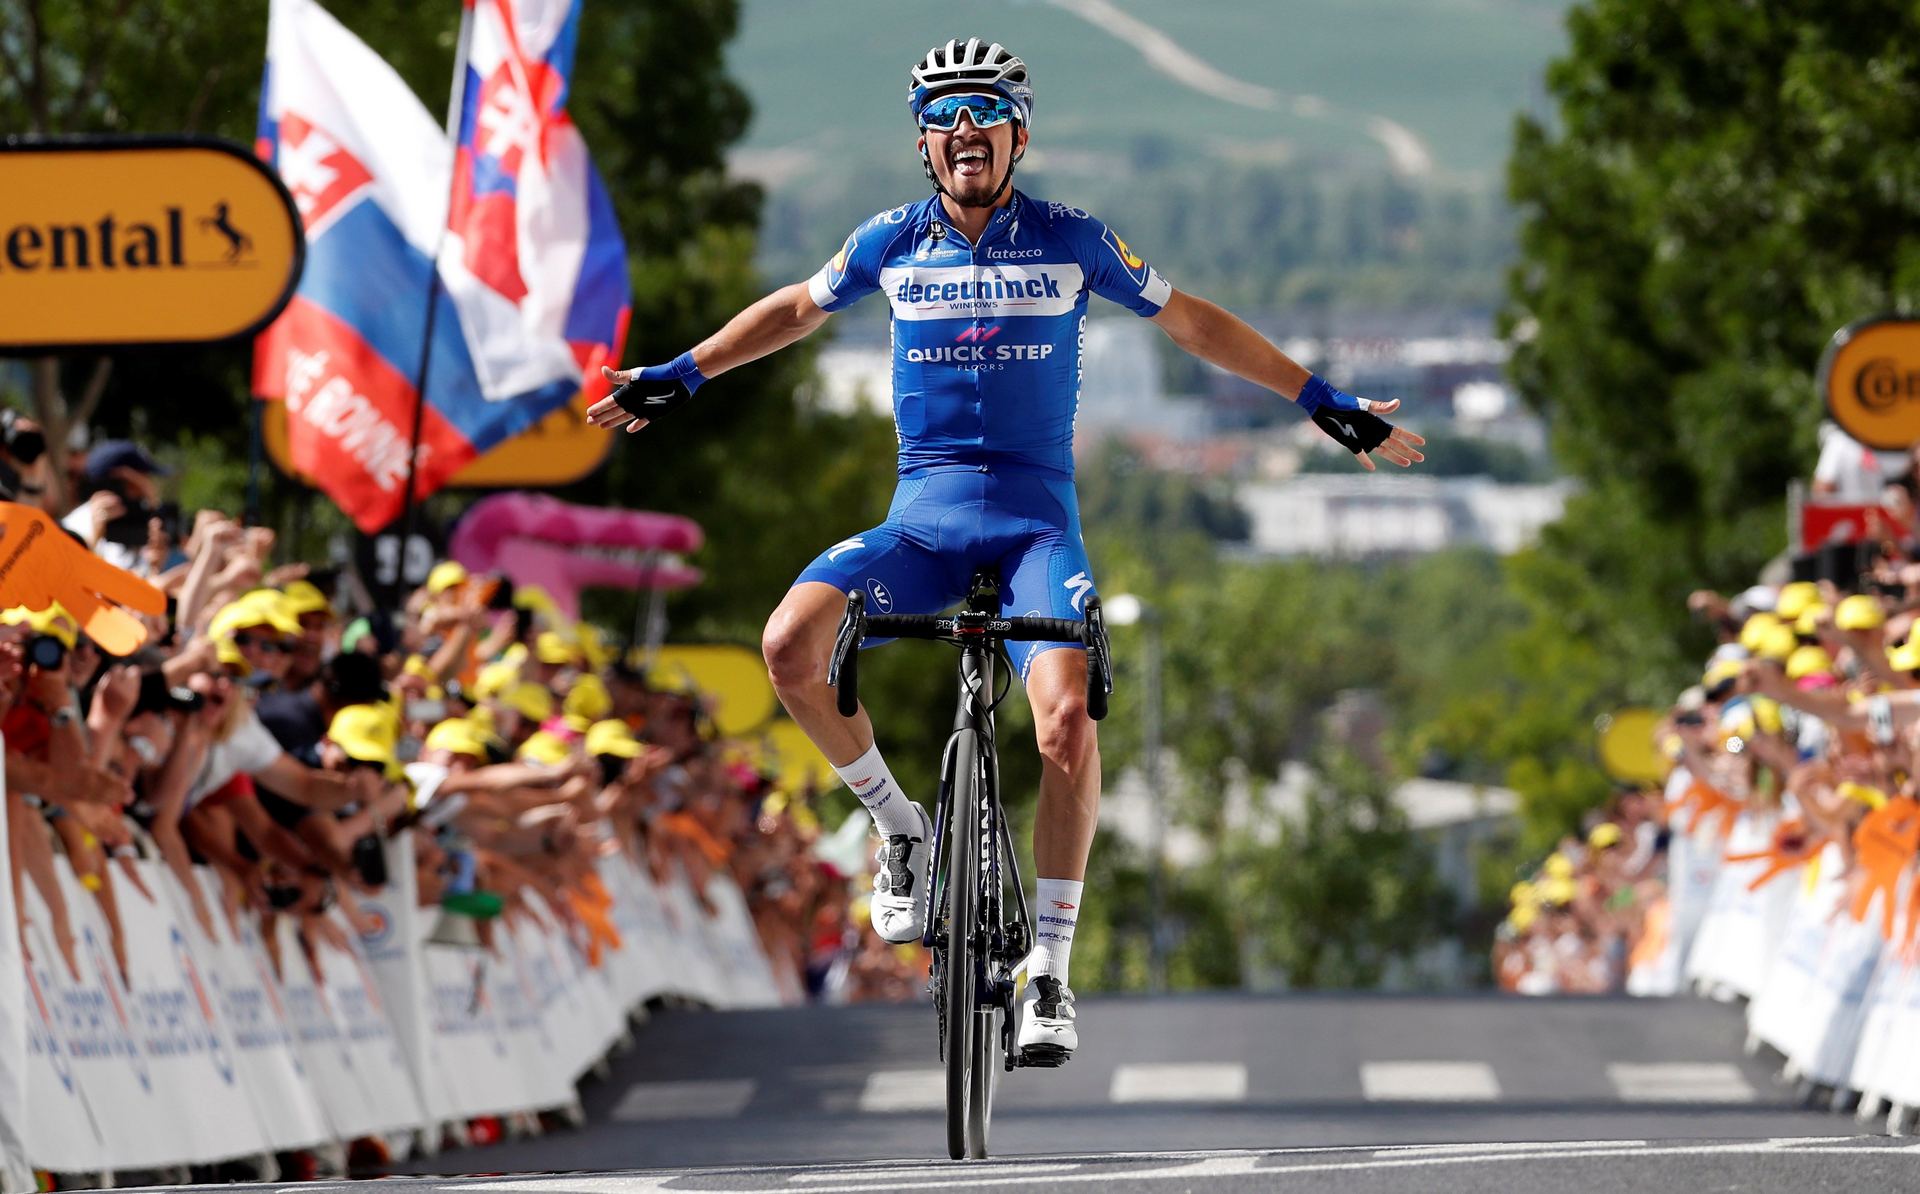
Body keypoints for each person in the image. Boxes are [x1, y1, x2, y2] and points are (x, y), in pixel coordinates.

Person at [590, 36, 1427, 1065]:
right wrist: (684, 372)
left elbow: (1195, 324)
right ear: (922, 144)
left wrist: (1320, 400)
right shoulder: (891, 242)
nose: (962, 131)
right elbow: (796, 312)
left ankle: (1051, 971)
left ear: (1018, 131)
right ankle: (903, 829)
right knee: (787, 649)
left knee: (1066, 722)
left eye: (982, 109)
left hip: (1035, 525)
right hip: (920, 524)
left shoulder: (1074, 239)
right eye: (940, 115)